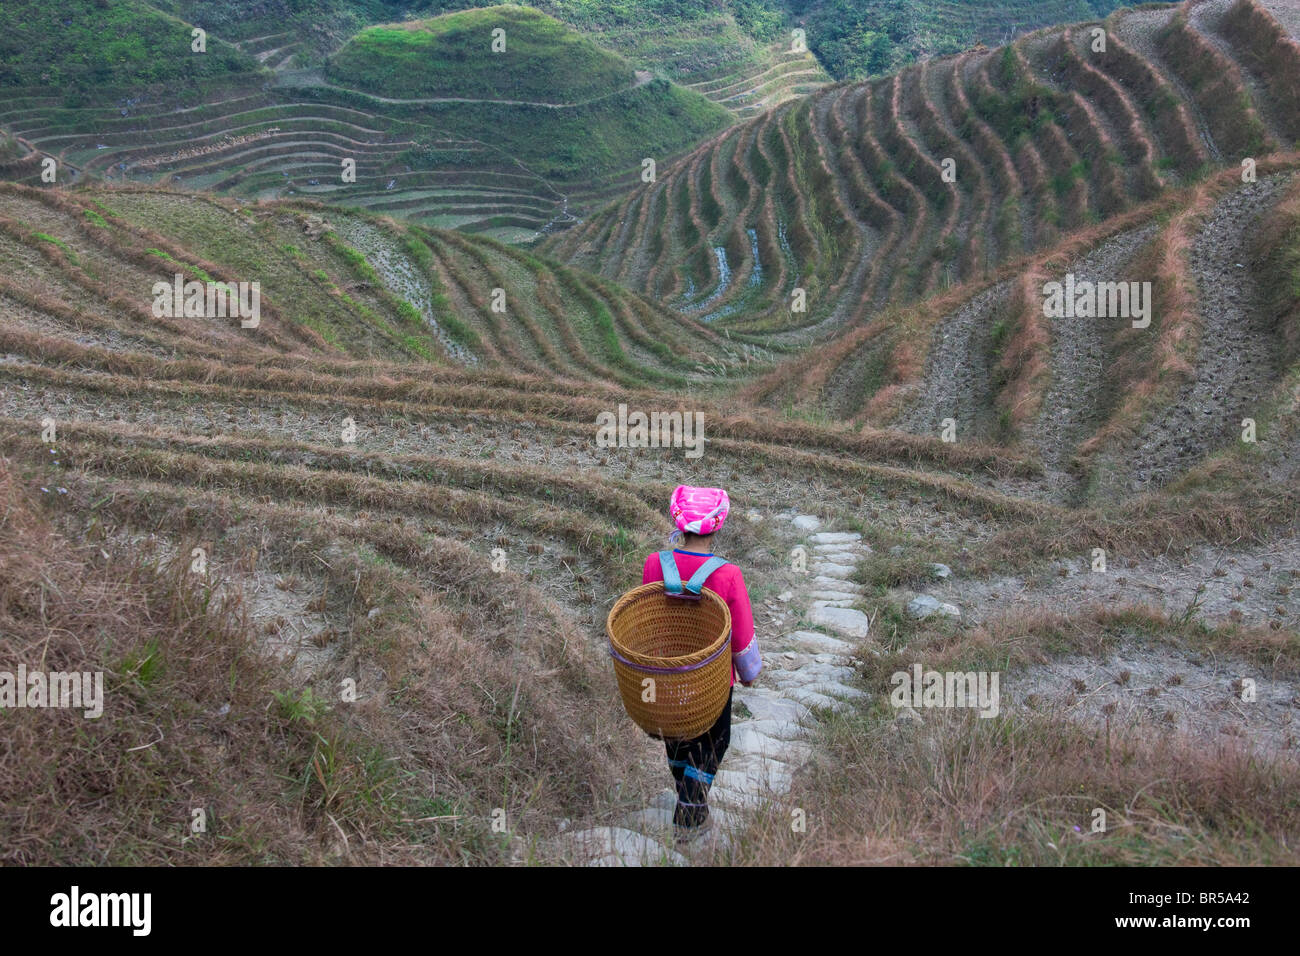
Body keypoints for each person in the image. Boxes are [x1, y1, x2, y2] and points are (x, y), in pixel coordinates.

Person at [640, 484, 762, 843]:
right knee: (714, 742)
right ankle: (688, 815)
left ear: (678, 519)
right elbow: (740, 635)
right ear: (718, 525)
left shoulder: (654, 564)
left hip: (666, 674)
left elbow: (646, 616)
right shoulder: (728, 575)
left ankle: (691, 802)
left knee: (677, 740)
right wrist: (749, 672)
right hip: (711, 679)